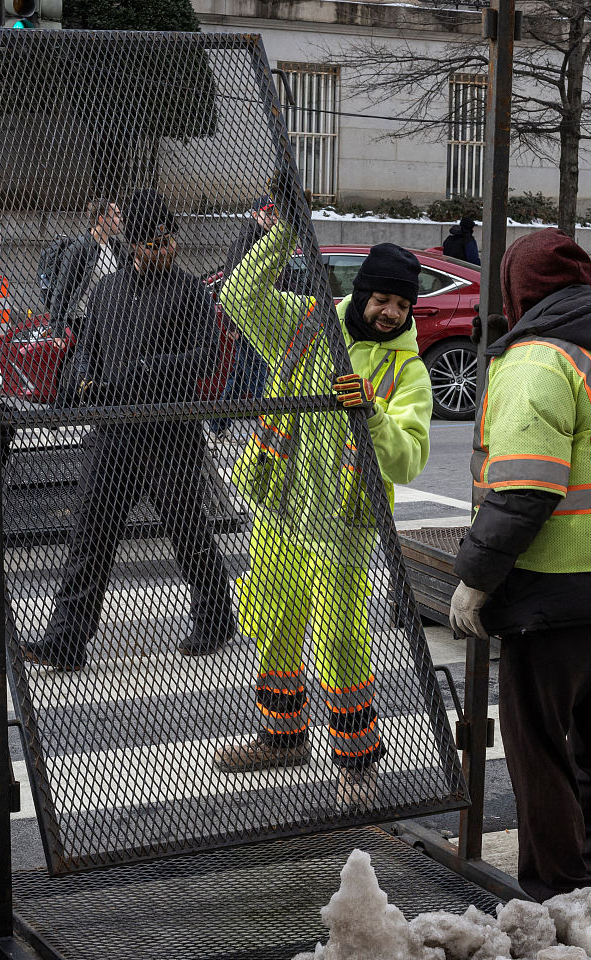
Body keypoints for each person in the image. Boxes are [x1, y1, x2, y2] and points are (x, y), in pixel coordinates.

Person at [448, 228, 591, 902]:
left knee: (538, 744)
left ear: (517, 289)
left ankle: (558, 890)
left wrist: (475, 580)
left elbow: (525, 490)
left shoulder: (539, 361)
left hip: (558, 582)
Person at [213, 205, 433, 809]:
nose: (390, 313)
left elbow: (409, 460)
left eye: (402, 305)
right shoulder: (307, 323)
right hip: (278, 507)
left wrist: (374, 413)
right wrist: (282, 228)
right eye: (382, 299)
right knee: (269, 623)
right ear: (361, 293)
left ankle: (358, 761)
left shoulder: (406, 371)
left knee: (340, 639)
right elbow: (240, 296)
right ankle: (282, 737)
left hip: (342, 523)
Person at [19, 189, 235, 671]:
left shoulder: (190, 291)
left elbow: (204, 358)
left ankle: (216, 617)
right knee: (90, 533)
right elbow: (86, 348)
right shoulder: (106, 291)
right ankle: (66, 640)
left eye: (169, 240)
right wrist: (80, 378)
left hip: (168, 432)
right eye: (154, 244)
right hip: (112, 432)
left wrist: (140, 370)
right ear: (133, 245)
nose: (166, 250)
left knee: (187, 528)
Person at [211, 195, 280, 435]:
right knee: (259, 376)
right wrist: (232, 323)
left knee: (242, 375)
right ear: (254, 214)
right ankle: (270, 429)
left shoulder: (270, 241)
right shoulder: (245, 243)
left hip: (261, 319)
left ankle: (218, 424)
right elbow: (230, 284)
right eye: (268, 213)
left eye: (275, 213)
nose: (273, 218)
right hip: (248, 321)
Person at [49, 197, 126, 331]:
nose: (122, 219)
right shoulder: (79, 249)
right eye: (117, 215)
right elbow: (62, 289)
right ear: (102, 218)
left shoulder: (116, 247)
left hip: (111, 318)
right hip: (84, 320)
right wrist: (57, 330)